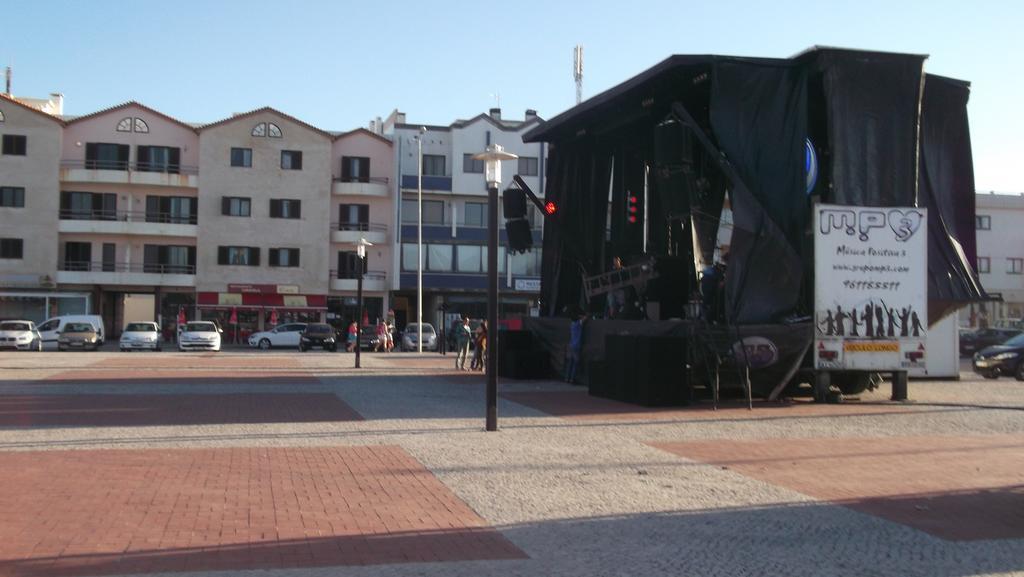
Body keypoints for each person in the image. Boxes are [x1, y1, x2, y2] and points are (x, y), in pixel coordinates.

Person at [564, 312, 586, 383]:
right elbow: (585, 318)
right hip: (576, 345)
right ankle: (572, 379)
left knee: (570, 362)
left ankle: (567, 378)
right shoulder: (578, 324)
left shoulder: (572, 324)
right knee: (575, 363)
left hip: (571, 345)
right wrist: (581, 316)